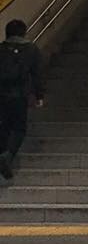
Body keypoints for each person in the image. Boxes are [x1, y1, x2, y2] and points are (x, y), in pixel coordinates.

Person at [0, 18, 45, 180]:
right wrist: (39, 95)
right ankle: (8, 155)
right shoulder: (31, 49)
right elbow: (37, 74)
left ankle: (3, 154)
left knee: (3, 127)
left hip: (1, 95)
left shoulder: (1, 49)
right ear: (24, 32)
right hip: (20, 95)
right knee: (19, 128)